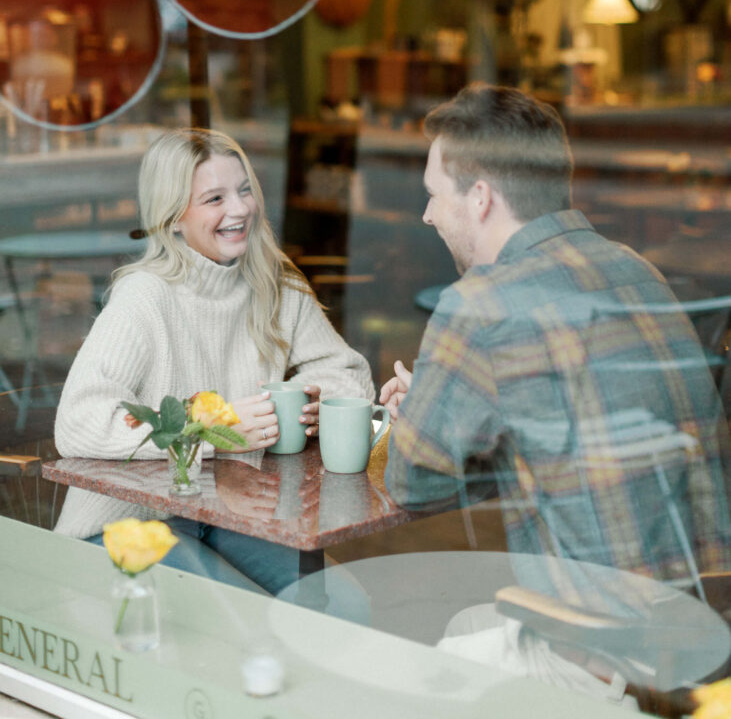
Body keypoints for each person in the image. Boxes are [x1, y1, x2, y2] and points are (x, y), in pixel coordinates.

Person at [380, 84, 730, 697]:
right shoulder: (633, 268)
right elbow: (567, 438)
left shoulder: (479, 306)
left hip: (607, 651)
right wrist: (453, 409)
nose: (428, 215)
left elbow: (415, 483)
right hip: (704, 622)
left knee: (407, 671)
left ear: (481, 198)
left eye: (435, 196)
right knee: (470, 621)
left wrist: (425, 419)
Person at [54, 128, 373, 597]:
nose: (240, 209)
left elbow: (348, 372)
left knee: (335, 607)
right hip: (129, 523)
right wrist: (212, 430)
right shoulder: (144, 297)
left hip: (232, 509)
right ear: (174, 217)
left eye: (245, 190)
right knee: (244, 624)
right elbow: (77, 422)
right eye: (214, 198)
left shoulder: (275, 281)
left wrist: (313, 398)